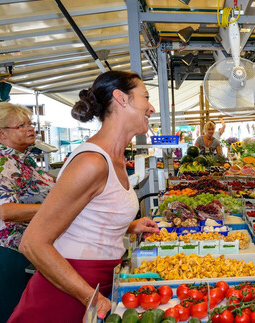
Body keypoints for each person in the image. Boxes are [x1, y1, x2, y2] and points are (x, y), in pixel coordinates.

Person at [9, 71, 159, 322]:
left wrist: (130, 226)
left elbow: (88, 215)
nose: (151, 107)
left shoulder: (115, 158)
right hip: (68, 290)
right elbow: (33, 243)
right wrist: (89, 296)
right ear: (122, 99)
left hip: (96, 283)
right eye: (145, 97)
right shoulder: (92, 162)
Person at [0, 102, 55, 323]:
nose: (30, 129)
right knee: (14, 311)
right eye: (21, 125)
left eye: (30, 124)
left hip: (28, 244)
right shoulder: (4, 163)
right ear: (1, 133)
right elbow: (6, 211)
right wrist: (55, 209)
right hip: (13, 248)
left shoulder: (22, 159)